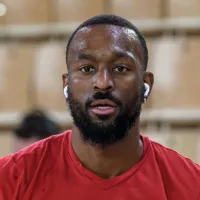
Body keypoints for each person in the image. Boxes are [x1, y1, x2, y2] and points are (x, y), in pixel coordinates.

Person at [0, 14, 200, 200]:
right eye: (87, 69)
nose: (103, 83)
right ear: (67, 84)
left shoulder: (192, 186)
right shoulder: (11, 179)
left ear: (145, 84)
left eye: (121, 68)